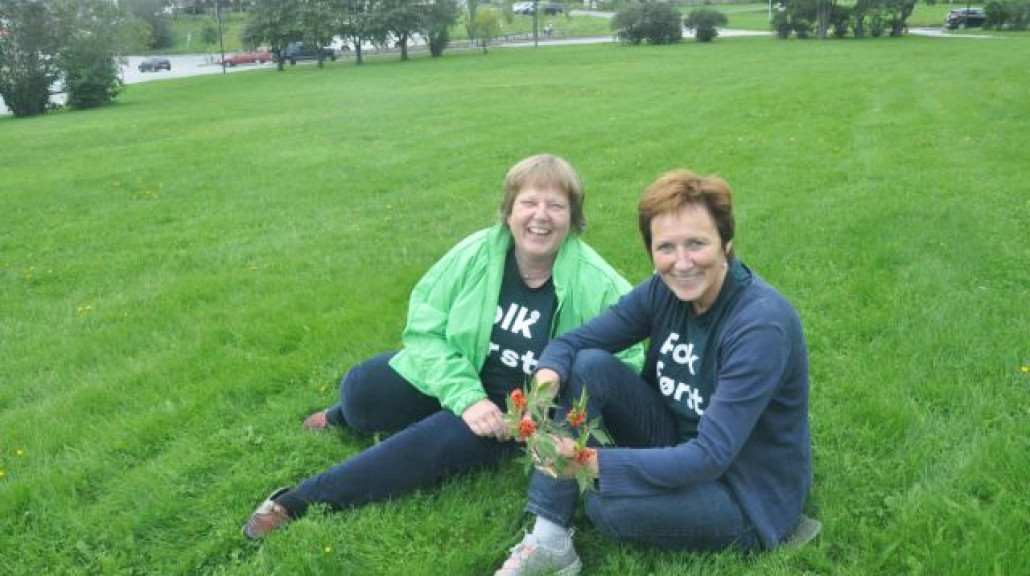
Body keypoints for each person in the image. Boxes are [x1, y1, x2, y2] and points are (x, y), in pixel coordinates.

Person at [243, 154, 644, 539]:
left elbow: (622, 362)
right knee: (362, 389)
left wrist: (536, 413)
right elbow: (424, 327)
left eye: (556, 205)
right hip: (463, 376)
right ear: (508, 211)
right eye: (529, 202)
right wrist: (466, 396)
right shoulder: (476, 254)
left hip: (510, 417)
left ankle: (298, 500)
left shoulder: (597, 282)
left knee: (432, 441)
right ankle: (342, 416)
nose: (541, 216)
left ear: (573, 218)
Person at [495, 169, 813, 575]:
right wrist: (546, 381)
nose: (681, 263)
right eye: (665, 247)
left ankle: (571, 511)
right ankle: (550, 537)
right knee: (590, 364)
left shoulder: (758, 325)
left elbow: (710, 456)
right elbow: (571, 344)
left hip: (744, 489)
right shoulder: (663, 291)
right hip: (674, 440)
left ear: (726, 244)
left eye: (697, 244)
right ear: (651, 251)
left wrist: (591, 462)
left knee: (604, 503)